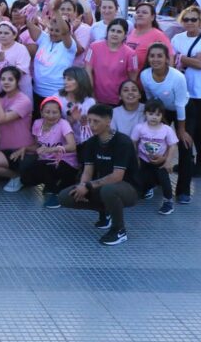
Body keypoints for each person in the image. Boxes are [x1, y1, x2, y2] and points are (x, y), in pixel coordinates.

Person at [59, 103, 141, 246]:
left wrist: (89, 186)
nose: (91, 125)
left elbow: (117, 176)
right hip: (101, 186)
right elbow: (88, 170)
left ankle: (119, 230)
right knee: (65, 197)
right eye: (89, 121)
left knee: (109, 190)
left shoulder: (123, 142)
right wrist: (82, 186)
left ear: (108, 121)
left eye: (96, 121)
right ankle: (106, 211)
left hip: (128, 188)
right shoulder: (91, 142)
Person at [139, 42, 193, 203]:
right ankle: (152, 182)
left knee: (184, 145)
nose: (155, 59)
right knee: (151, 141)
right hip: (160, 110)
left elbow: (180, 104)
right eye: (152, 56)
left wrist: (181, 131)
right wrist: (156, 121)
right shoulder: (145, 75)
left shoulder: (177, 77)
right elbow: (150, 99)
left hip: (183, 110)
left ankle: (183, 190)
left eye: (159, 56)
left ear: (167, 59)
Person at [171, 6, 201, 179]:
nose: (190, 22)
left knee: (199, 129)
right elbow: (170, 61)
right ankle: (187, 160)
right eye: (186, 19)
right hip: (183, 91)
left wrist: (180, 58)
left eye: (194, 19)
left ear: (200, 21)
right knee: (183, 128)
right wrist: (190, 59)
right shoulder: (177, 38)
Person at [20, 96, 79, 208]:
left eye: (54, 112)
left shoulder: (63, 124)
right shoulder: (37, 123)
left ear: (59, 113)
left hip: (66, 162)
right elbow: (39, 145)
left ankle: (57, 193)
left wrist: (51, 149)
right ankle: (52, 185)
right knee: (26, 176)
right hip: (47, 161)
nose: (51, 115)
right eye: (47, 112)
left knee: (42, 166)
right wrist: (25, 148)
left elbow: (72, 146)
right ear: (41, 113)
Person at [131, 99, 178, 216]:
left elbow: (173, 146)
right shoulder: (139, 128)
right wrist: (136, 157)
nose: (154, 117)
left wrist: (168, 161)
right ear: (145, 114)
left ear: (162, 115)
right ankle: (146, 189)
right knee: (139, 179)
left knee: (165, 181)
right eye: (151, 114)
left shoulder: (166, 129)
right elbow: (133, 142)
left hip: (160, 161)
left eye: (158, 114)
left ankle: (168, 202)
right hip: (144, 159)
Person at [84, 18, 138, 106]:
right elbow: (88, 70)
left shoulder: (131, 54)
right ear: (107, 32)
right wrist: (91, 94)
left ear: (125, 35)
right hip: (96, 98)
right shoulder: (93, 47)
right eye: (112, 30)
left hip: (119, 101)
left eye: (119, 32)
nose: (115, 34)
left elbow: (132, 79)